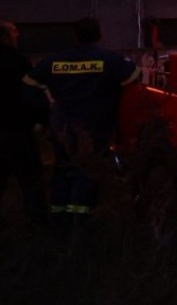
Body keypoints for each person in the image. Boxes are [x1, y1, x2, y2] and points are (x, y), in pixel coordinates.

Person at [23, 17, 139, 229]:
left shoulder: (54, 61)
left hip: (62, 126)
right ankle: (80, 224)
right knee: (86, 170)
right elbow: (134, 76)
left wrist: (44, 113)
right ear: (99, 36)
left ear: (75, 37)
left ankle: (59, 218)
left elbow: (29, 84)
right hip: (95, 127)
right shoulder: (109, 60)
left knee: (63, 168)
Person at [0, 21, 48, 228]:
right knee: (30, 179)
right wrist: (42, 119)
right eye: (14, 32)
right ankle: (37, 224)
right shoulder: (18, 61)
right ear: (5, 37)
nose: (18, 36)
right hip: (17, 130)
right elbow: (31, 94)